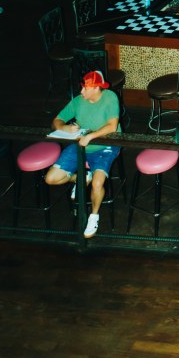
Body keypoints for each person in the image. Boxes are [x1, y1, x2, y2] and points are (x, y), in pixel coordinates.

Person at [45, 70, 121, 240]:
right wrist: (66, 128)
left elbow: (112, 126)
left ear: (96, 88)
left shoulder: (110, 97)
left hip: (105, 146)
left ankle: (94, 216)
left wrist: (90, 136)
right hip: (80, 145)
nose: (81, 92)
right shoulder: (79, 101)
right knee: (50, 178)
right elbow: (56, 121)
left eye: (85, 88)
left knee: (98, 183)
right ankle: (83, 177)